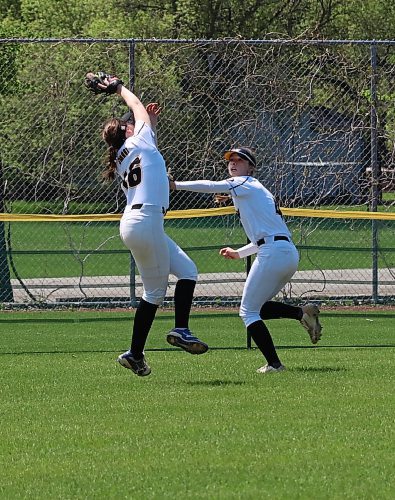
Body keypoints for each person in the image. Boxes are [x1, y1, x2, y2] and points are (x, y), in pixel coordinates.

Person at [170, 147, 322, 374]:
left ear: (251, 167)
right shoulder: (250, 191)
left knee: (248, 312)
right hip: (284, 251)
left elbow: (212, 185)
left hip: (273, 252)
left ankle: (275, 364)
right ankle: (302, 314)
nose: (233, 163)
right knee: (257, 308)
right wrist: (239, 253)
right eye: (231, 160)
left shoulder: (246, 183)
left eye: (240, 160)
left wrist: (176, 185)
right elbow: (266, 235)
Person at [100, 77, 208, 377]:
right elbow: (136, 106)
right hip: (145, 221)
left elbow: (150, 155)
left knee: (187, 270)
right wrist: (119, 87)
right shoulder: (137, 140)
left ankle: (144, 349)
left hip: (140, 223)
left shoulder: (127, 153)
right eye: (130, 123)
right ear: (128, 131)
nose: (135, 121)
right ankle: (147, 347)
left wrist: (151, 123)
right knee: (155, 293)